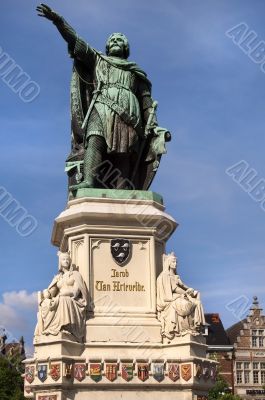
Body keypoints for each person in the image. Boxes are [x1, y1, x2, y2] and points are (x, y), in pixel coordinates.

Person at [36, 4, 170, 190]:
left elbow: (146, 101)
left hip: (129, 113)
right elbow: (76, 41)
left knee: (124, 151)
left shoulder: (135, 72)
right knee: (94, 140)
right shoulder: (97, 59)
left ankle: (122, 189)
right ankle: (89, 181)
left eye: (120, 40)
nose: (115, 41)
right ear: (107, 47)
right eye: (112, 39)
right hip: (101, 105)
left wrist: (153, 125)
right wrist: (59, 22)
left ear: (126, 47)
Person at [35, 252, 87, 343]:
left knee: (63, 300)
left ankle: (64, 327)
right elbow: (51, 293)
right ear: (60, 262)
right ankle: (50, 330)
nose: (66, 261)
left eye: (68, 259)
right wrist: (49, 290)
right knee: (46, 303)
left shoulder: (75, 274)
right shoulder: (59, 277)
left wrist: (66, 293)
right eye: (64, 259)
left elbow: (76, 291)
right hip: (60, 298)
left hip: (72, 299)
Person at [157, 252, 205, 340]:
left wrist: (190, 292)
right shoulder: (165, 276)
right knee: (185, 304)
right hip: (171, 299)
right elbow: (172, 292)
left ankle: (195, 327)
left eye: (176, 262)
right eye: (173, 262)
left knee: (197, 302)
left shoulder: (175, 276)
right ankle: (184, 328)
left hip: (179, 296)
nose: (175, 264)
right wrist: (185, 293)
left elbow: (183, 287)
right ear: (168, 263)